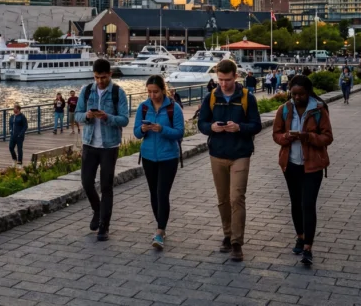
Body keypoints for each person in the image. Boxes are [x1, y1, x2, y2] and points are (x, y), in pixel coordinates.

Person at [197, 59, 263, 262]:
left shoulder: (246, 98)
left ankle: (237, 242)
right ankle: (227, 234)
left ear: (236, 76)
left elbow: (257, 125)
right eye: (220, 80)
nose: (223, 84)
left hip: (240, 153)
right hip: (217, 153)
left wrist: (240, 127)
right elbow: (201, 123)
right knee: (223, 199)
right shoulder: (211, 97)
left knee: (237, 198)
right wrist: (211, 128)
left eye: (227, 80)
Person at [272, 74, 333, 266]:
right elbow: (276, 134)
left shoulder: (318, 110)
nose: (297, 98)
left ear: (308, 92)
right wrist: (286, 138)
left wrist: (308, 137)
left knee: (308, 204)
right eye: (294, 94)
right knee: (296, 203)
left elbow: (327, 137)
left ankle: (308, 246)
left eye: (301, 94)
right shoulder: (284, 110)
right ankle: (300, 235)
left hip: (312, 165)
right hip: (290, 164)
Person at [75, 58, 130, 242]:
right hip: (89, 144)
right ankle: (97, 209)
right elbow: (77, 114)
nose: (100, 81)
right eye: (97, 77)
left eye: (103, 77)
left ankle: (104, 227)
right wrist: (87, 116)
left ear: (110, 74)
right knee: (86, 182)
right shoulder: (86, 91)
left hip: (109, 146)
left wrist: (107, 117)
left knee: (106, 186)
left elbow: (124, 119)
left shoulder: (117, 93)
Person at [133, 75, 185, 250]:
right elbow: (136, 133)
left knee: (162, 193)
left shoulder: (173, 108)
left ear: (163, 90)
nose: (152, 95)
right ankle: (160, 224)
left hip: (168, 157)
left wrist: (162, 129)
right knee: (154, 193)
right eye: (149, 92)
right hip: (148, 156)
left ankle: (160, 231)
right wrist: (142, 128)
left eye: (155, 91)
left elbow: (179, 132)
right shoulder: (143, 107)